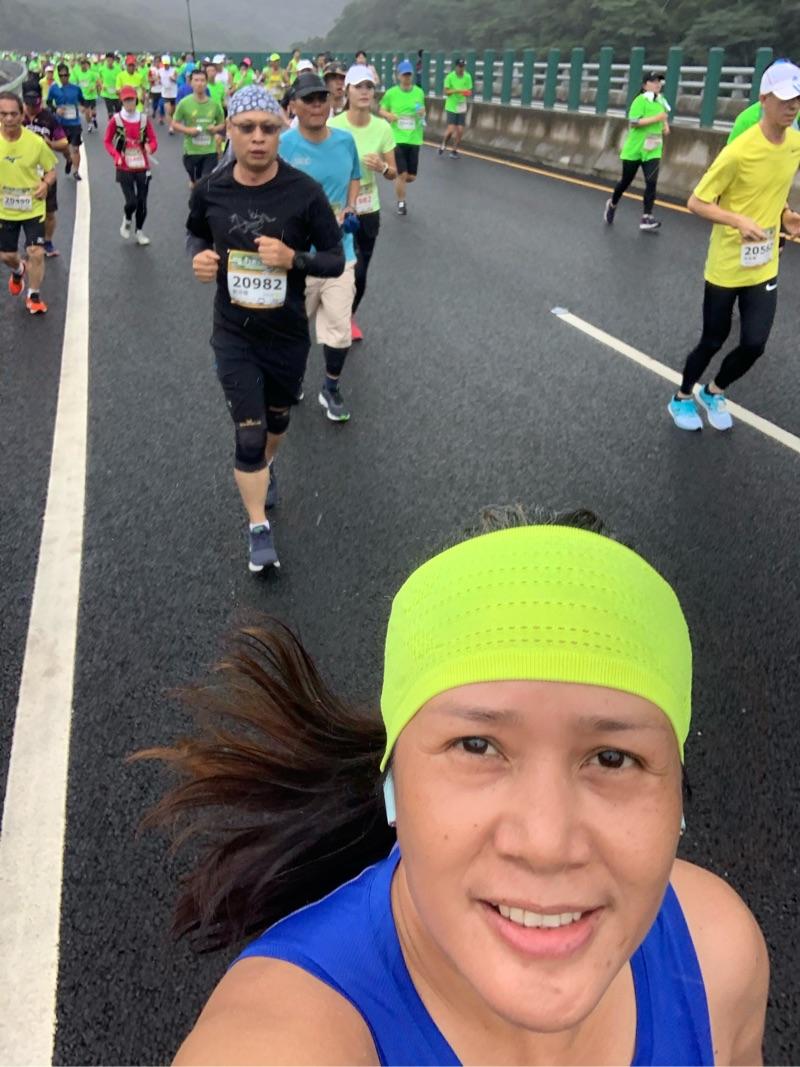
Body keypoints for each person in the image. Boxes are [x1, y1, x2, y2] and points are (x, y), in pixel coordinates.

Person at [139, 505, 769, 1067]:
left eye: (612, 758)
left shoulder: (718, 954)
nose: (546, 843)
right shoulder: (280, 1044)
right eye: (477, 747)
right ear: (392, 780)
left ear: (677, 796)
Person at [185, 85, 345, 572]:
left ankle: (267, 467)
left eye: (268, 128)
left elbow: (335, 259)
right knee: (249, 433)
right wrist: (199, 256)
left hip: (286, 335)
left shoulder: (305, 192)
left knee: (277, 421)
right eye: (246, 128)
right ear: (229, 131)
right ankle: (258, 527)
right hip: (233, 333)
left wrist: (293, 258)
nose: (257, 137)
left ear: (280, 132)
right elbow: (195, 231)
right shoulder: (210, 189)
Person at [668, 62, 800, 433]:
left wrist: (786, 215)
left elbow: (771, 188)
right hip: (727, 263)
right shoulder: (738, 151)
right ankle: (681, 397)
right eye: (785, 99)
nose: (792, 107)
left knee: (755, 343)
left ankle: (713, 391)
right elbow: (697, 201)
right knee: (713, 340)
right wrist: (738, 221)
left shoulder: (795, 144)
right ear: (764, 100)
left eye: (798, 100)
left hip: (765, 261)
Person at [280, 72, 361, 422]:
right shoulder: (283, 145)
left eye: (322, 98)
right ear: (293, 106)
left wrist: (351, 206)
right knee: (294, 329)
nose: (316, 105)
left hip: (340, 252)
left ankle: (330, 388)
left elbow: (355, 176)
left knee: (340, 331)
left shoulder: (345, 141)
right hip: (297, 257)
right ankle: (292, 378)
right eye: (308, 99)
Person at [330, 65, 396, 342]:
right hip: (337, 208)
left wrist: (382, 167)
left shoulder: (382, 128)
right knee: (337, 265)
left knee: (361, 271)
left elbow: (394, 173)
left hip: (368, 209)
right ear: (347, 91)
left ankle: (348, 315)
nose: (365, 92)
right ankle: (332, 310)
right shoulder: (334, 126)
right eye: (359, 86)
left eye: (369, 87)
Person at [0, 91, 57, 315]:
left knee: (36, 252)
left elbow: (51, 170)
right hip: (5, 210)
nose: (8, 119)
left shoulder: (36, 142)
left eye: (13, 114)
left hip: (32, 206)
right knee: (6, 256)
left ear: (22, 114)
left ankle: (34, 296)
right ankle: (18, 269)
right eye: (3, 114)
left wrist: (46, 184)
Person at [604, 72, 670, 232]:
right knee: (625, 182)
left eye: (659, 81)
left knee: (651, 182)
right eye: (654, 81)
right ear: (645, 85)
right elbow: (634, 122)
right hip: (635, 150)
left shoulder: (661, 100)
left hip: (653, 149)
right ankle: (612, 204)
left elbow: (664, 117)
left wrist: (665, 126)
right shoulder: (640, 100)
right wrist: (656, 119)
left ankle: (646, 217)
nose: (658, 84)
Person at [104, 84, 158, 246]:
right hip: (124, 166)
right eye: (126, 100)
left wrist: (151, 148)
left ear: (136, 100)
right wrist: (116, 156)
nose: (129, 103)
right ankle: (127, 218)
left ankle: (139, 231)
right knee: (131, 202)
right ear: (121, 101)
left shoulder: (143, 119)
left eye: (132, 100)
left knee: (142, 202)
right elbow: (107, 141)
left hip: (142, 165)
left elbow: (153, 140)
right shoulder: (116, 120)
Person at [21, 88, 68, 258]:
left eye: (34, 106)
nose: (31, 109)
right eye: (28, 106)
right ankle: (29, 242)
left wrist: (50, 144)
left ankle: (47, 242)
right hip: (21, 172)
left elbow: (64, 142)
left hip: (45, 171)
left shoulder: (49, 118)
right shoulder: (17, 117)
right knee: (20, 210)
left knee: (49, 211)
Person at [379, 59, 425, 216]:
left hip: (414, 138)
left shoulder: (419, 92)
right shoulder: (391, 93)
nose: (407, 77)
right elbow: (381, 110)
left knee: (411, 177)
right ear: (398, 76)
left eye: (409, 75)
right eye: (404, 75)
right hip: (397, 139)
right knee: (403, 174)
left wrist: (422, 113)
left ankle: (399, 179)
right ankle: (401, 202)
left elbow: (422, 110)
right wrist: (389, 116)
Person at [172, 68, 225, 187]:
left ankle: (201, 196)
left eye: (202, 80)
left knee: (205, 181)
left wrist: (215, 129)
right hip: (191, 150)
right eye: (196, 80)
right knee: (193, 176)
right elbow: (174, 124)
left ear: (206, 83)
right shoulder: (184, 103)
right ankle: (193, 180)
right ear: (191, 83)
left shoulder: (214, 104)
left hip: (210, 151)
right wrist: (188, 130)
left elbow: (222, 123)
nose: (199, 83)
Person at [47, 63, 85, 181]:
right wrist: (56, 110)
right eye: (61, 75)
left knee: (75, 148)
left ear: (69, 75)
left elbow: (82, 100)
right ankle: (68, 159)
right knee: (65, 148)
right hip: (61, 124)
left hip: (75, 123)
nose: (64, 78)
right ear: (58, 76)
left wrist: (84, 107)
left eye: (66, 75)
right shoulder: (54, 88)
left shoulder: (76, 88)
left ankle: (76, 171)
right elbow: (48, 103)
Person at [439, 57, 473, 157]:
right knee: (451, 130)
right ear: (456, 67)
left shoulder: (467, 77)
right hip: (451, 106)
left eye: (463, 67)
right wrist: (456, 91)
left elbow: (469, 91)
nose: (461, 69)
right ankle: (443, 144)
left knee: (460, 130)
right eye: (460, 66)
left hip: (461, 105)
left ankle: (454, 150)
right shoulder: (450, 77)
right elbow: (446, 92)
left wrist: (466, 93)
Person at [74, 55, 98, 131]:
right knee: (87, 112)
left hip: (92, 95)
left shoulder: (91, 73)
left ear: (87, 64)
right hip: (84, 96)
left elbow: (97, 82)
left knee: (93, 112)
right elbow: (76, 84)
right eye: (82, 64)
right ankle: (90, 125)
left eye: (84, 63)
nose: (83, 65)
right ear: (80, 65)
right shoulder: (78, 73)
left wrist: (93, 88)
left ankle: (94, 118)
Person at [98, 51, 121, 117]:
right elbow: (99, 79)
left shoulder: (118, 69)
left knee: (118, 111)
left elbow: (121, 80)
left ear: (113, 60)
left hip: (116, 94)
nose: (109, 61)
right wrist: (102, 85)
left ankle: (117, 122)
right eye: (108, 59)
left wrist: (119, 89)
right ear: (106, 60)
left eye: (111, 59)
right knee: (110, 112)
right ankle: (111, 122)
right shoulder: (102, 69)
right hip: (106, 94)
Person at [158, 54, 178, 128]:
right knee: (168, 111)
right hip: (165, 94)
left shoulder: (174, 70)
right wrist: (159, 81)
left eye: (167, 63)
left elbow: (177, 80)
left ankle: (172, 123)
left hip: (173, 93)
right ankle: (171, 127)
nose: (166, 65)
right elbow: (158, 80)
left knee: (173, 112)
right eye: (165, 64)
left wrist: (173, 79)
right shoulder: (160, 71)